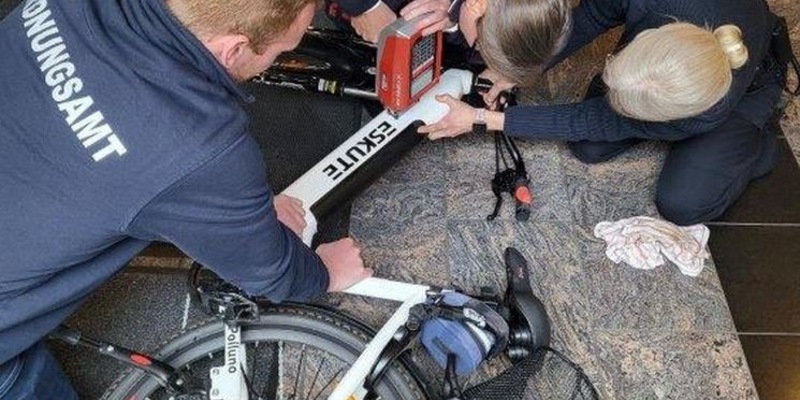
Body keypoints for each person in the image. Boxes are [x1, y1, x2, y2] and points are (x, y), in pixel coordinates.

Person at [0, 0, 373, 397]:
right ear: (233, 48)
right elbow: (272, 272)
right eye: (283, 50)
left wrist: (236, 215)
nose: (284, 54)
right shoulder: (199, 145)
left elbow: (119, 170)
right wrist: (326, 272)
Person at [419, 0, 790, 225]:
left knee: (682, 203)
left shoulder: (709, 107)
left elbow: (594, 118)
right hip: (674, 75)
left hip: (745, 93)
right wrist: (511, 71)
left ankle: (751, 145)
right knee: (588, 148)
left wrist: (481, 119)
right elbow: (594, 16)